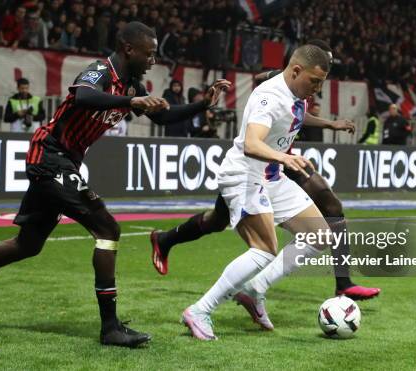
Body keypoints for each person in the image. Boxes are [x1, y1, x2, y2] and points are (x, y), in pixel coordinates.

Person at [0, 21, 230, 348]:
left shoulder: (130, 84)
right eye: (149, 54)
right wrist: (130, 104)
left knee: (27, 244)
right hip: (50, 155)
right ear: (129, 49)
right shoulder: (101, 71)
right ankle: (110, 327)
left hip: (63, 162)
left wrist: (202, 105)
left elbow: (163, 116)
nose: (153, 61)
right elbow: (83, 96)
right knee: (108, 229)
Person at [151, 41, 379, 305]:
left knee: (331, 207)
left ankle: (342, 282)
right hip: (262, 160)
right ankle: (169, 243)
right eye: (317, 75)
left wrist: (330, 123)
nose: (319, 86)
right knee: (219, 222)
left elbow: (296, 113)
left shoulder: (303, 89)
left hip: (279, 164)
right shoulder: (278, 87)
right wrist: (269, 85)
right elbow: (264, 95)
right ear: (296, 68)